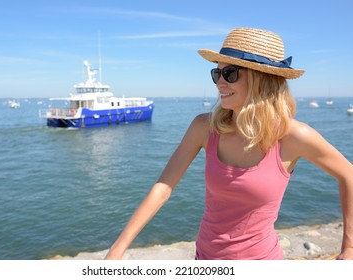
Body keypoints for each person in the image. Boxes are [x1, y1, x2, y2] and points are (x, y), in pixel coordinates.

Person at [105, 27, 353, 260]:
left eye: (229, 73)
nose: (219, 83)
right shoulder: (204, 127)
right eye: (216, 73)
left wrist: (349, 248)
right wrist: (117, 250)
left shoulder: (293, 136)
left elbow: (348, 176)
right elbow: (163, 187)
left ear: (261, 79)